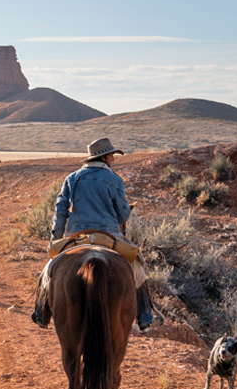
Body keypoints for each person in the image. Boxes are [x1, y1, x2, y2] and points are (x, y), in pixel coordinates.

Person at [32, 137, 163, 332]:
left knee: (49, 268)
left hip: (76, 236)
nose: (113, 160)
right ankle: (144, 317)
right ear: (105, 157)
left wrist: (56, 238)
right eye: (112, 156)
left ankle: (42, 313)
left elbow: (60, 211)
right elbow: (124, 214)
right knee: (138, 265)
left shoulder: (72, 178)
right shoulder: (115, 180)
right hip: (109, 236)